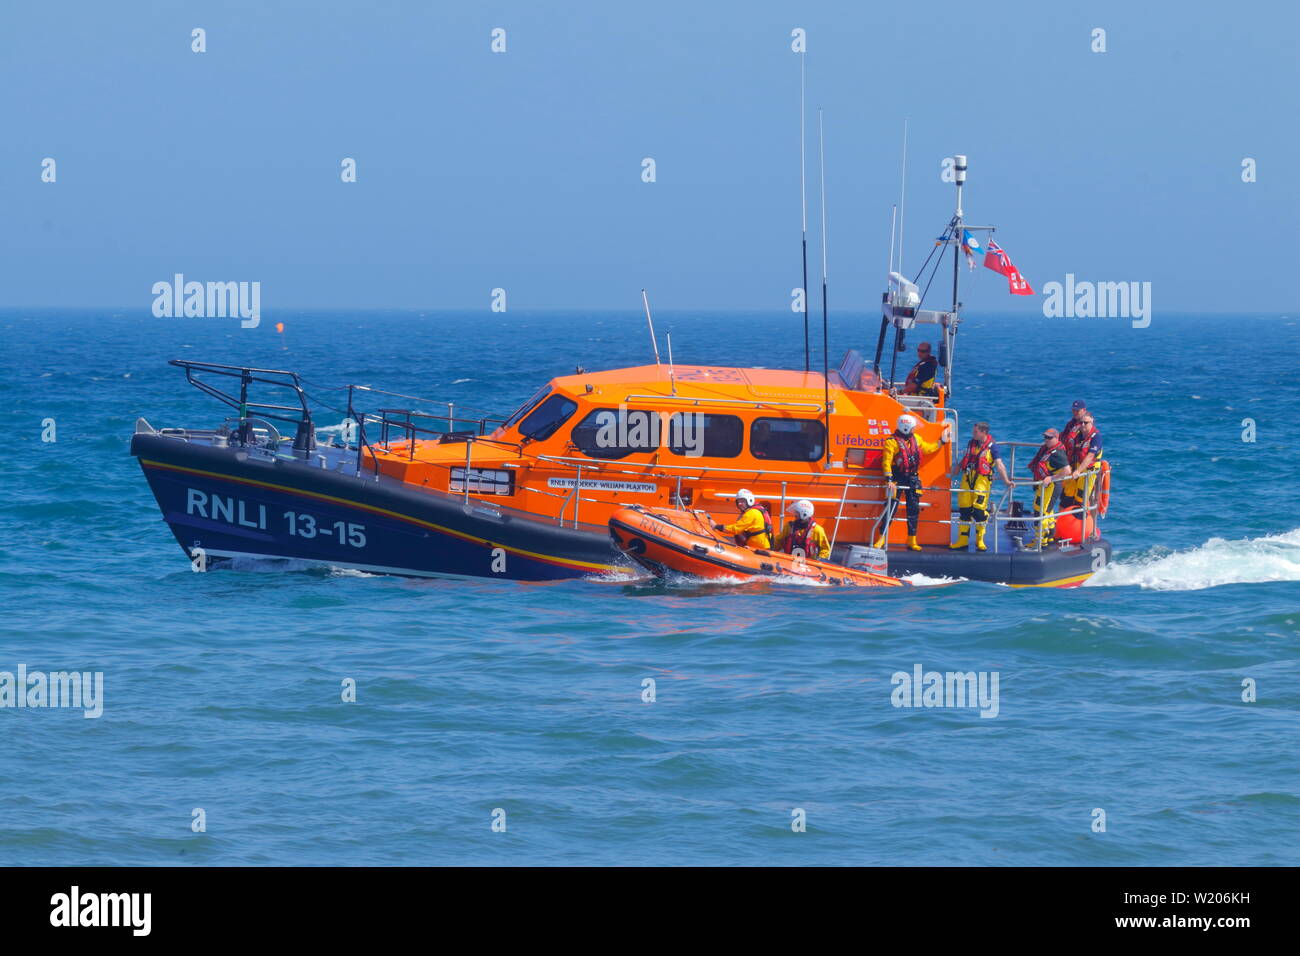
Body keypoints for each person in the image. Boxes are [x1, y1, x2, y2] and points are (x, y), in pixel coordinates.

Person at [875, 413, 949, 551]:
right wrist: (889, 480)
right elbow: (886, 461)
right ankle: (881, 538)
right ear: (906, 428)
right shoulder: (891, 442)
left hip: (912, 478)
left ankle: (912, 540)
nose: (915, 429)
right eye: (913, 427)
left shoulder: (917, 439)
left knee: (913, 509)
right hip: (897, 478)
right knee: (890, 508)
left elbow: (928, 448)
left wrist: (942, 442)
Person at [1027, 427, 1070, 547]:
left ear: (1056, 438)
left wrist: (1052, 478)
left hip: (1051, 485)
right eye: (1045, 437)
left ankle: (1040, 540)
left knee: (1040, 511)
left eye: (1049, 438)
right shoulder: (1047, 449)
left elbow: (1067, 470)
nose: (1046, 440)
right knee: (1047, 510)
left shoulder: (1058, 453)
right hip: (1046, 485)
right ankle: (1050, 535)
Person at [1060, 403, 1103, 512]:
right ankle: (1062, 521)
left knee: (1081, 497)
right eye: (1081, 422)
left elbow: (1090, 456)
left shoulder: (1096, 437)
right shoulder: (1079, 436)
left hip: (1087, 470)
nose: (1083, 425)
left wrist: (1078, 471)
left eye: (1086, 423)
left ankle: (1080, 524)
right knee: (1067, 496)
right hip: (1075, 467)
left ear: (1092, 422)